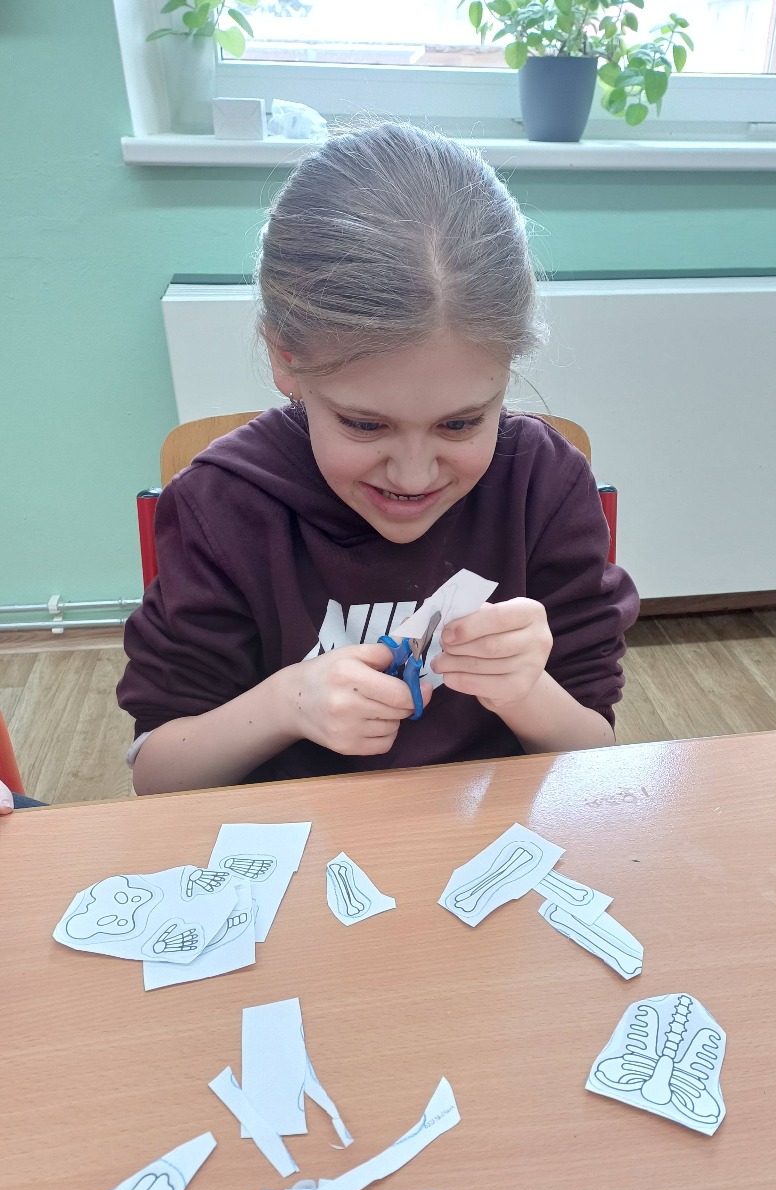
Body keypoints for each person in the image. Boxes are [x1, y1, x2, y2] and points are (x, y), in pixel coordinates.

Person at [117, 122, 640, 795]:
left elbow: (594, 750)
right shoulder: (223, 507)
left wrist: (526, 692)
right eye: (365, 425)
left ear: (506, 371)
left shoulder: (544, 486)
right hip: (296, 837)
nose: (413, 476)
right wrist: (285, 704)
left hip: (491, 831)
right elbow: (158, 779)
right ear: (285, 359)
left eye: (461, 423)